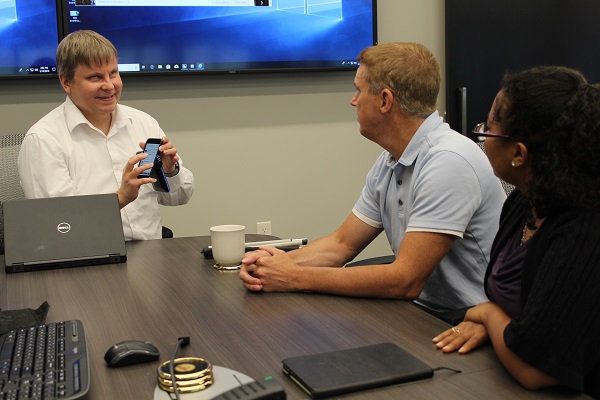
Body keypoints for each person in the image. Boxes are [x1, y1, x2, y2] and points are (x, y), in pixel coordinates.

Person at [239, 42, 506, 312]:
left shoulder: (449, 161)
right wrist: (277, 263)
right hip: (421, 311)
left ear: (385, 100)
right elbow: (341, 245)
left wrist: (294, 276)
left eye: (359, 90)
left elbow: (405, 280)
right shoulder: (392, 158)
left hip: (466, 322)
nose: (353, 100)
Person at [432, 66, 600, 398]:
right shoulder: (524, 203)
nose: (480, 135)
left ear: (519, 154)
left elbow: (537, 370)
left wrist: (486, 314)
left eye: (488, 129)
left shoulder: (584, 229)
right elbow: (518, 314)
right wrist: (492, 323)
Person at [18, 30, 194, 241]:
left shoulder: (143, 123)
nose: (110, 86)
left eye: (113, 73)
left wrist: (170, 171)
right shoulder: (43, 139)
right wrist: (120, 198)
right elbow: (57, 224)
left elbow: (180, 197)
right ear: (66, 82)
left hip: (152, 252)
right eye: (95, 77)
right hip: (87, 260)